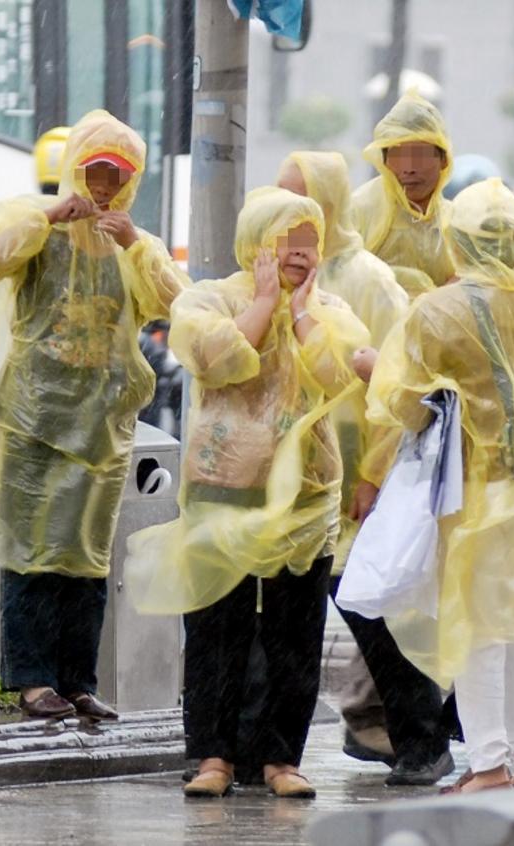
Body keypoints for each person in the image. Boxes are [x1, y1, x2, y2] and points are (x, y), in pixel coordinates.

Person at [0, 110, 185, 722]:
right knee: (33, 553)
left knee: (87, 560)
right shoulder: (37, 226)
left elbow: (176, 302)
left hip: (102, 426)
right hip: (34, 417)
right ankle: (33, 681)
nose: (104, 186)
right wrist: (46, 216)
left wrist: (135, 244)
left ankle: (77, 681)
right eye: (95, 171)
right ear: (74, 170)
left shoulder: (130, 245)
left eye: (118, 175)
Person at [124, 187, 371, 799]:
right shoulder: (210, 299)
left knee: (295, 632)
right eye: (290, 240)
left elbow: (341, 379)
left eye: (311, 242)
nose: (302, 254)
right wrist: (263, 304)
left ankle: (280, 758)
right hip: (223, 487)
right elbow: (215, 361)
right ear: (257, 241)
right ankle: (212, 756)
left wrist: (305, 313)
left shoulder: (330, 308)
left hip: (306, 494)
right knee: (217, 627)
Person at [365, 178, 514, 792]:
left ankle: (492, 763)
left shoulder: (438, 310)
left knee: (472, 620)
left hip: (478, 481)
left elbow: (400, 401)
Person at [277, 151, 453, 786]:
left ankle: (423, 738)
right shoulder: (281, 273)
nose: (286, 212)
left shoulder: (367, 279)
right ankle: (395, 734)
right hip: (303, 471)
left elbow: (397, 379)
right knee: (346, 605)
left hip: (358, 474)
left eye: (298, 199)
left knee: (370, 608)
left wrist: (374, 473)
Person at [351, 89, 454, 296]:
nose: (409, 168)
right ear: (384, 161)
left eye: (420, 155)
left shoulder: (457, 221)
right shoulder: (359, 211)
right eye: (398, 155)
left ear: (443, 159)